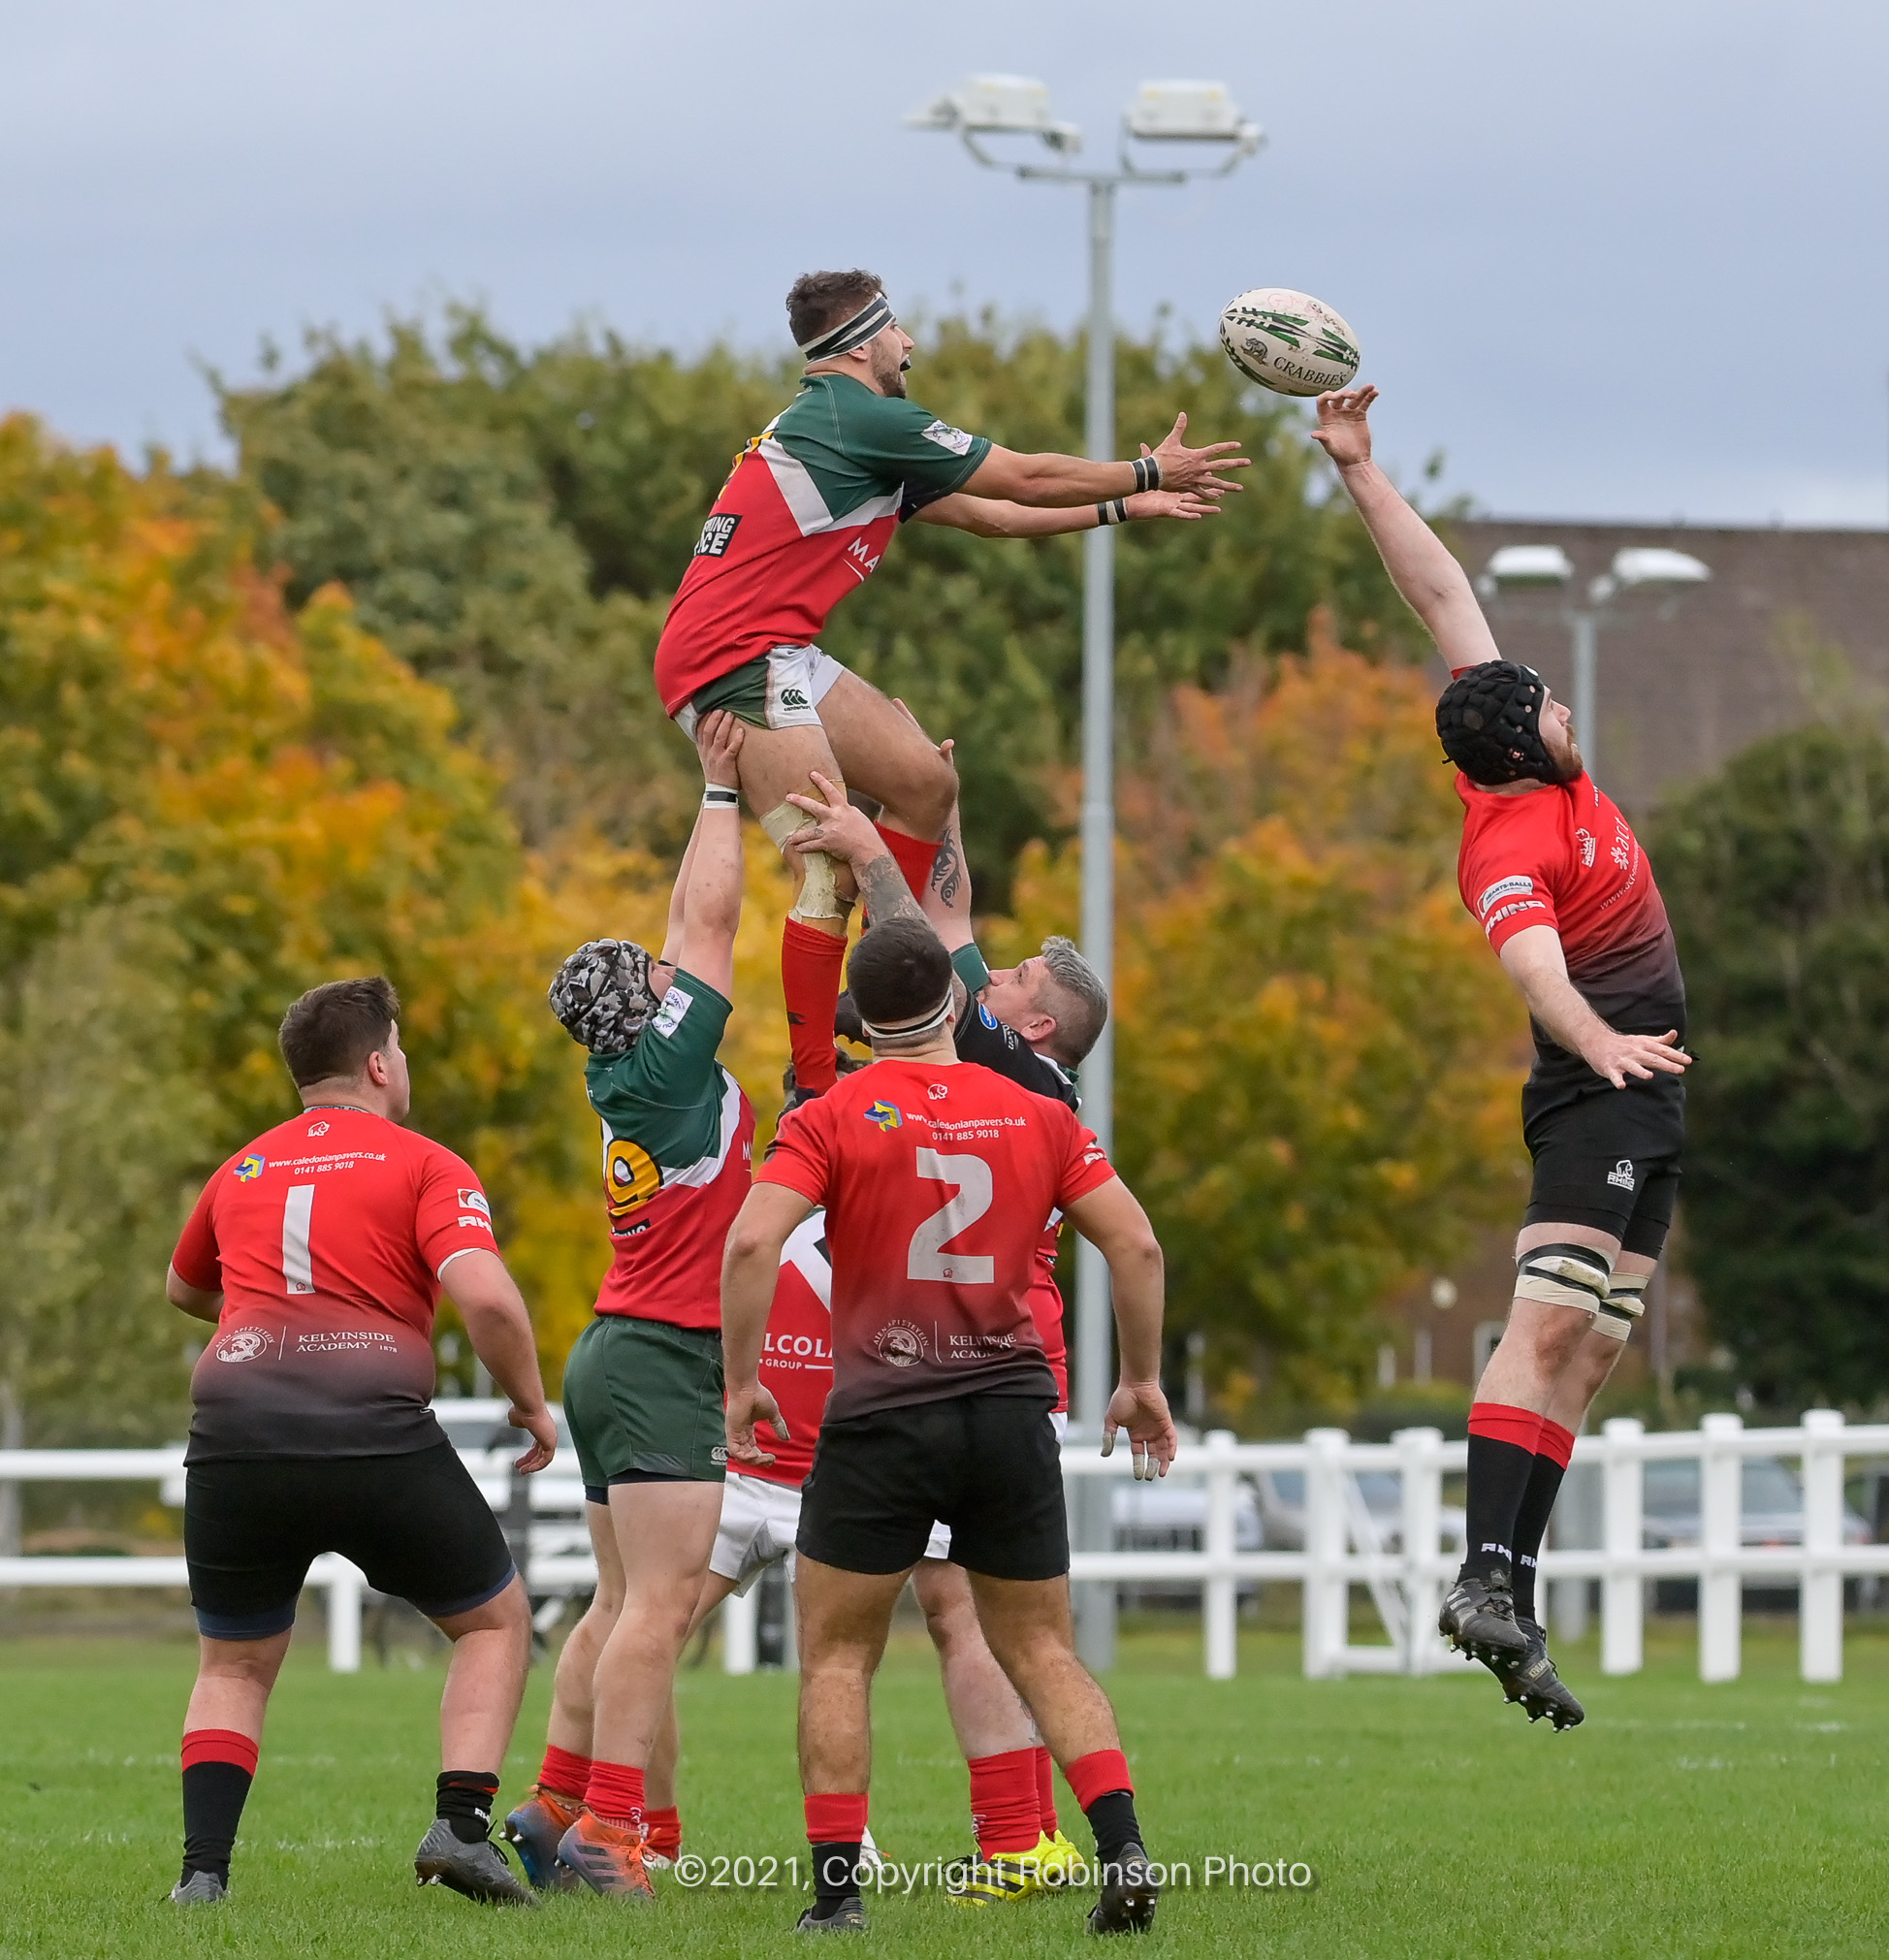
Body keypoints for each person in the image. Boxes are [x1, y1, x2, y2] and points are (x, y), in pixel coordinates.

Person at [1311, 383, 1693, 1729]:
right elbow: (1529, 964)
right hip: (1600, 1088)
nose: (1565, 706)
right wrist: (1599, 1040)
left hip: (1645, 1095)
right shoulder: (1507, 839)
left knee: (1591, 1349)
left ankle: (1508, 1597)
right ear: (1527, 738)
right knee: (1544, 1323)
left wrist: (1357, 469)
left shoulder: (1510, 752)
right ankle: (1482, 1571)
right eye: (1550, 704)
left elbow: (1439, 593)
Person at [654, 266, 1244, 1111]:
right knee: (827, 873)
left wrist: (1120, 508)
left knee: (927, 784)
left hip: (776, 646)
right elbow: (1025, 478)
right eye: (897, 329)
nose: (910, 343)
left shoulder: (857, 431)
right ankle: (813, 1084)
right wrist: (1144, 472)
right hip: (733, 656)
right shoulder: (861, 419)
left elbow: (993, 515)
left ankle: (878, 976)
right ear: (864, 342)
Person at [720, 918, 1177, 1935]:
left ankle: (837, 1895)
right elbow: (1137, 1246)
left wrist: (741, 1382)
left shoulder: (835, 1112)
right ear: (952, 1002)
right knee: (1042, 1648)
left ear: (868, 1014)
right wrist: (1141, 1378)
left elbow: (752, 1242)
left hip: (882, 1412)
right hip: (1008, 1408)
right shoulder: (1038, 1112)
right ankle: (1123, 1849)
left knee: (839, 1656)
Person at [164, 977, 557, 1908]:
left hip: (235, 1433)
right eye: (402, 1048)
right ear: (379, 1064)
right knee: (495, 1622)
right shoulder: (425, 1164)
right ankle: (462, 1829)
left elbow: (183, 1289)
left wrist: (268, 1320)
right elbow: (489, 1299)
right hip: (372, 1431)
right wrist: (531, 1403)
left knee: (234, 1663)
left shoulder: (242, 1168)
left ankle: (202, 1876)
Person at [501, 712, 753, 1899]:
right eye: (651, 974)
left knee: (615, 1600)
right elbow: (710, 925)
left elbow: (679, 931)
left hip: (614, 1348)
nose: (669, 969)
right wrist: (723, 792)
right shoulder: (666, 1067)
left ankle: (554, 1803)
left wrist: (708, 796)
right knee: (659, 1606)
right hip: (663, 1356)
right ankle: (609, 1832)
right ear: (643, 1006)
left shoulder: (629, 1066)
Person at [685, 1203, 1082, 1900]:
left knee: (962, 1617)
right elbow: (1130, 1241)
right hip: (967, 1380)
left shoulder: (864, 1181)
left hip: (949, 1386)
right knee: (989, 1621)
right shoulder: (1010, 1147)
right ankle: (1027, 1837)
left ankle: (1021, 1837)